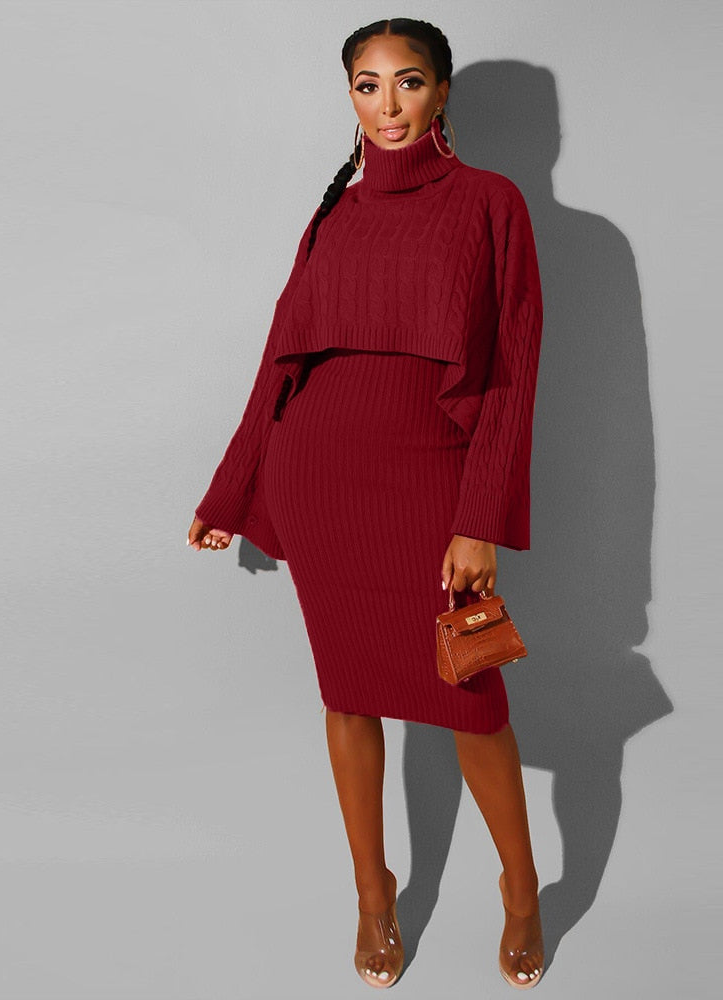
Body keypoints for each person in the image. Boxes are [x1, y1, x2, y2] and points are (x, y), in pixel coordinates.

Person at [187, 18, 544, 990]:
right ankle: (372, 892)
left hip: (430, 479)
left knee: (470, 698)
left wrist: (478, 517)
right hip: (321, 483)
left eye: (409, 82)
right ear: (348, 96)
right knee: (346, 693)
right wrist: (231, 488)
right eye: (367, 85)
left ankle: (521, 889)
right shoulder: (332, 217)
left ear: (442, 92)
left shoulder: (491, 203)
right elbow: (281, 361)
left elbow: (512, 370)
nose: (388, 105)